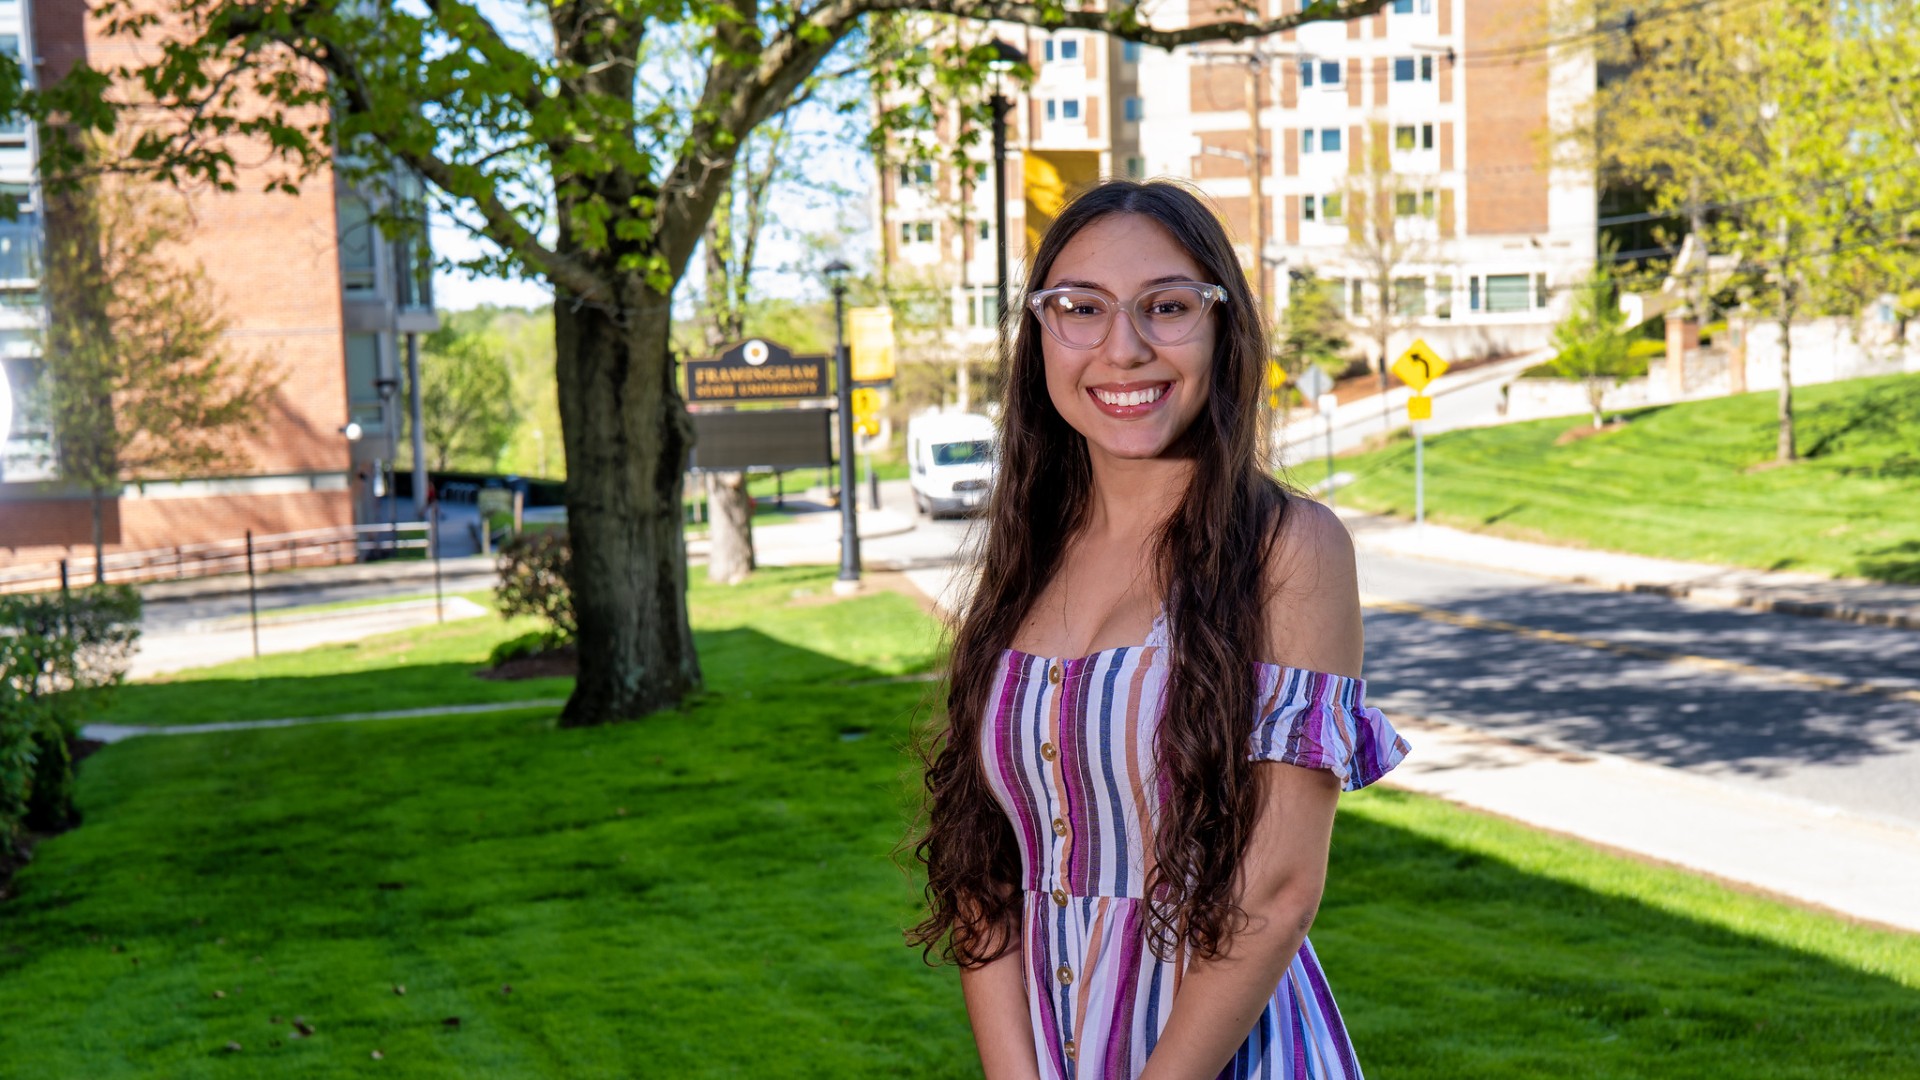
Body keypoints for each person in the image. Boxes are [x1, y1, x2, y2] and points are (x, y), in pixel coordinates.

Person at [909, 179, 1410, 1079]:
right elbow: (985, 870)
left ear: (1223, 327)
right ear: (1039, 337)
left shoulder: (1288, 549)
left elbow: (1279, 888)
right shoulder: (1026, 560)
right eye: (1080, 308)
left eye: (1168, 307)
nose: (1124, 347)